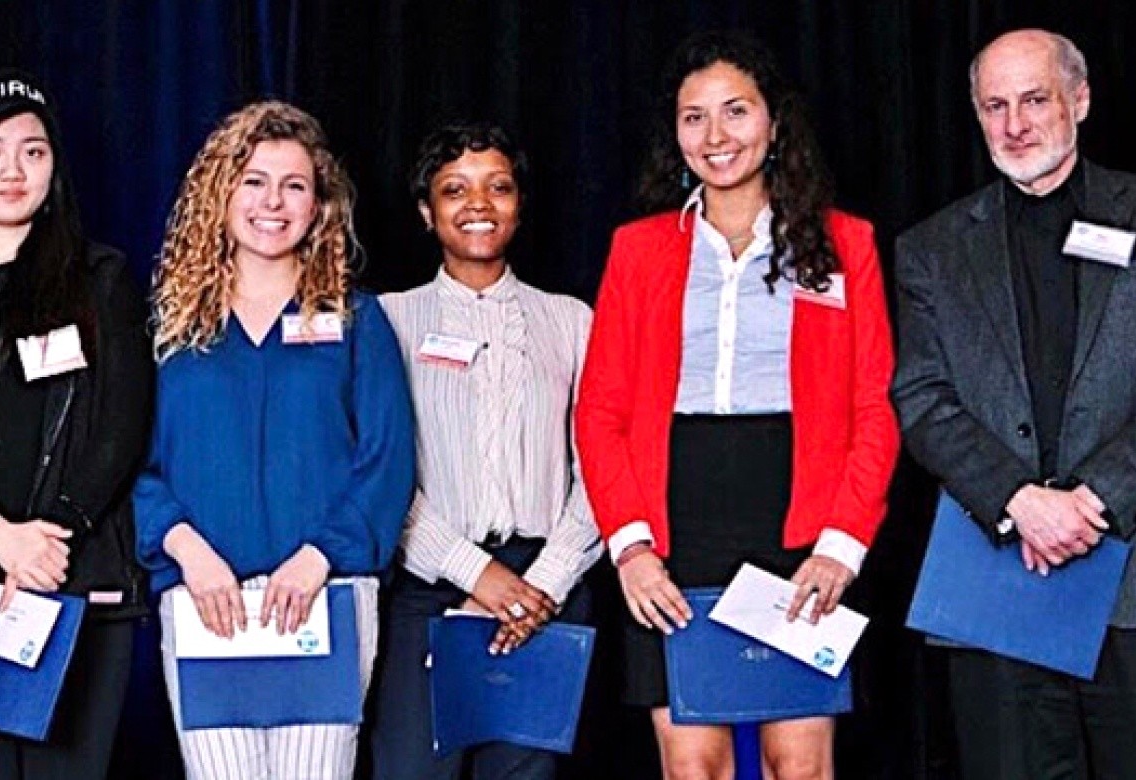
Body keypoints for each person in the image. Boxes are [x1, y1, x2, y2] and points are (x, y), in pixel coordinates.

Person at [576, 31, 899, 780]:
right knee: (694, 767)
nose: (716, 137)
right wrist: (629, 546)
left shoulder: (844, 243)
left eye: (735, 112)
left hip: (802, 527)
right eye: (694, 118)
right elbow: (599, 412)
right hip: (671, 530)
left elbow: (874, 409)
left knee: (800, 766)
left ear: (774, 121)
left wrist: (843, 544)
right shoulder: (639, 249)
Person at [133, 101, 414, 780]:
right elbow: (131, 463)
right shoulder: (170, 328)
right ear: (221, 193)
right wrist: (186, 550)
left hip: (325, 596)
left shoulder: (356, 319)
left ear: (320, 206)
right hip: (204, 599)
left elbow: (388, 462)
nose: (273, 202)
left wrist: (321, 557)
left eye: (294, 185)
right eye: (254, 180)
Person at [893, 28, 1136, 779]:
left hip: (1129, 578)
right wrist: (1018, 500)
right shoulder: (931, 248)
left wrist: (1097, 497)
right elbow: (921, 396)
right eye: (994, 105)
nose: (1015, 124)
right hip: (997, 583)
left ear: (1081, 99)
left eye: (1034, 99)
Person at [370, 121, 601, 780]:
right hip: (428, 587)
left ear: (520, 203)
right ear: (426, 211)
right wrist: (476, 575)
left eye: (497, 187)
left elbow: (601, 470)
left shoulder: (572, 320)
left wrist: (541, 587)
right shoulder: (387, 319)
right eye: (454, 190)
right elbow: (379, 474)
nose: (478, 205)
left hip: (548, 583)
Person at [0, 69, 152, 779]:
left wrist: (46, 538)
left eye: (33, 151)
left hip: (72, 582)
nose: (13, 170)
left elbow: (122, 424)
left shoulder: (100, 278)